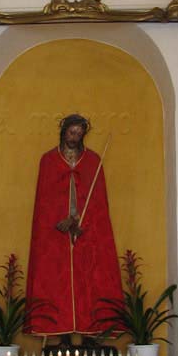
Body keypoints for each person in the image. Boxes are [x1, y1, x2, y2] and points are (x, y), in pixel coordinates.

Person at [25, 114, 123, 340]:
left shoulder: (93, 161)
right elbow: (44, 202)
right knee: (56, 281)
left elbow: (98, 203)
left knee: (89, 279)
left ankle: (90, 334)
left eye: (79, 133)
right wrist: (61, 220)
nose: (74, 137)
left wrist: (81, 222)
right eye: (71, 132)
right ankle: (63, 337)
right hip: (56, 233)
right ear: (63, 131)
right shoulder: (49, 160)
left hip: (86, 231)